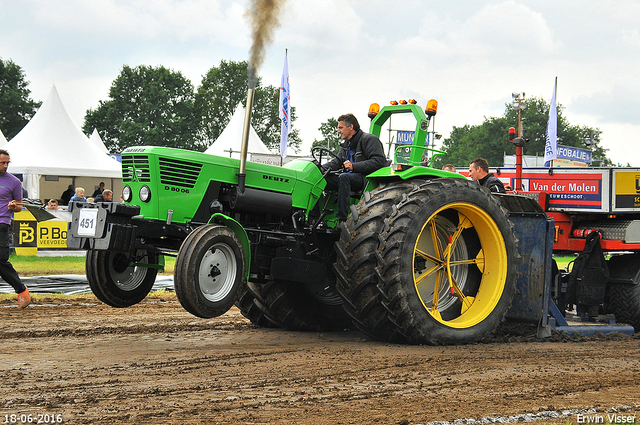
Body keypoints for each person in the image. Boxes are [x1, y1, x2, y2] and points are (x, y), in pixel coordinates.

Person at [323, 113, 387, 221]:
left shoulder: (369, 140)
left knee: (344, 177)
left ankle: (342, 219)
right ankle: (315, 217)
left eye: (340, 127)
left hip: (364, 179)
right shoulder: (346, 145)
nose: (338, 131)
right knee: (323, 178)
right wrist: (319, 168)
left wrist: (354, 166)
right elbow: (336, 162)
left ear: (351, 127)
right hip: (350, 178)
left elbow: (379, 161)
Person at [0, 149, 31, 308]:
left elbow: (19, 206)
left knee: (1, 259)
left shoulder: (14, 182)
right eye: (2, 163)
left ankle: (21, 290)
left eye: (7, 163)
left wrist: (14, 206)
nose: (5, 166)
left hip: (2, 224)